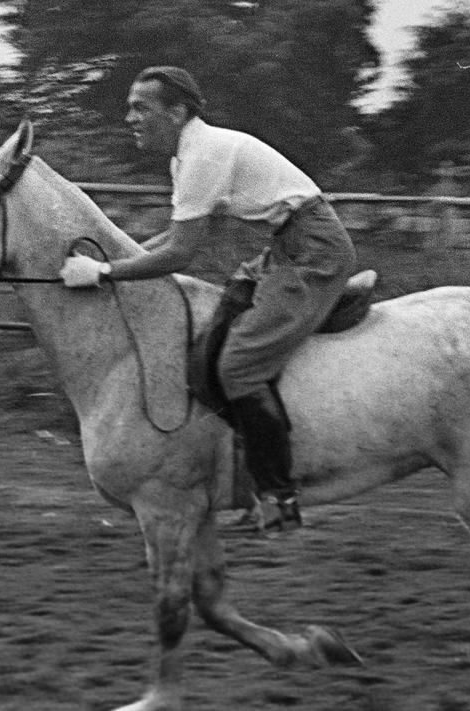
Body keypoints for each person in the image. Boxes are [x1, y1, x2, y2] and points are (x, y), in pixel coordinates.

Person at [60, 66, 357, 531]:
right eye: (129, 108)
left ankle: (281, 500)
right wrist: (119, 261)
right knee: (209, 352)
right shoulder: (186, 156)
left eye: (142, 107)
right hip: (285, 247)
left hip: (312, 251)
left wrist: (103, 271)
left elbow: (180, 253)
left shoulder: (204, 155)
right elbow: (176, 237)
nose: (130, 118)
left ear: (178, 112)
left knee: (238, 367)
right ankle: (243, 485)